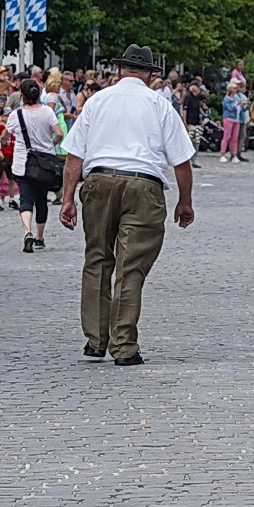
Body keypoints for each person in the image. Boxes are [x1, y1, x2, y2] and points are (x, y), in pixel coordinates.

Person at [58, 46, 196, 366]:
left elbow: (74, 157)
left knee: (97, 259)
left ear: (120, 71)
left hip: (99, 181)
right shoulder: (159, 104)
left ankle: (95, 340)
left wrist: (67, 199)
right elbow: (182, 161)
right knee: (130, 267)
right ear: (149, 74)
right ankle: (124, 346)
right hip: (143, 184)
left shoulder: (97, 101)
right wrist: (185, 202)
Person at [10, 79, 65, 253]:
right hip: (44, 164)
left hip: (22, 163)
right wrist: (49, 144)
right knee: (41, 200)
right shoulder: (48, 112)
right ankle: (40, 238)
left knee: (25, 198)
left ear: (22, 95)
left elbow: (5, 135)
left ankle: (27, 231)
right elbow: (59, 134)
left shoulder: (16, 115)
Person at [218, 83, 247, 163]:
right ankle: (222, 154)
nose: (236, 90)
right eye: (234, 88)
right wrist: (237, 104)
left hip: (237, 120)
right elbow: (230, 108)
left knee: (234, 138)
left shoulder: (235, 98)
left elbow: (240, 109)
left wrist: (244, 106)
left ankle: (234, 155)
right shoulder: (227, 99)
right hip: (229, 119)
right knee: (226, 137)